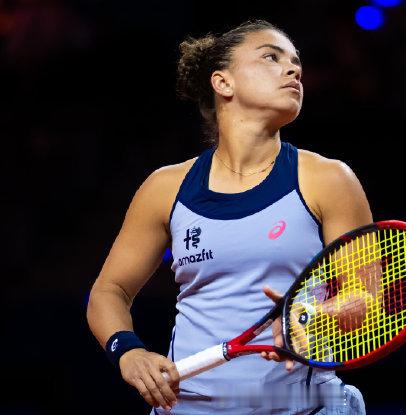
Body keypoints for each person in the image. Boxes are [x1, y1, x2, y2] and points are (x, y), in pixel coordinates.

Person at [87, 19, 372, 414]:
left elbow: (368, 300)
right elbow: (109, 291)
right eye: (271, 57)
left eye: (296, 63)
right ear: (223, 83)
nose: (293, 70)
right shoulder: (165, 188)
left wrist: (318, 316)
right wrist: (128, 351)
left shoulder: (329, 180)